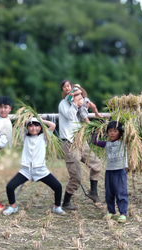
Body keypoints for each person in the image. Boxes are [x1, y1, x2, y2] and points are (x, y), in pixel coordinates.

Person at [3, 117, 66, 216]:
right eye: (31, 126)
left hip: (41, 170)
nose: (33, 128)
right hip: (26, 170)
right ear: (27, 127)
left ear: (40, 127)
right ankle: (13, 207)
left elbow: (53, 125)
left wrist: (41, 119)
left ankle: (57, 207)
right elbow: (18, 126)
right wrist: (25, 118)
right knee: (10, 187)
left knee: (58, 187)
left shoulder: (44, 137)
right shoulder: (25, 137)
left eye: (36, 125)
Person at [59, 79, 103, 210]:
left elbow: (83, 116)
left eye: (69, 86)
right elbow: (70, 116)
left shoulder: (80, 104)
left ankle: (93, 192)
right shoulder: (63, 104)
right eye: (65, 87)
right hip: (68, 143)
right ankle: (66, 202)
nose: (67, 88)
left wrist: (85, 107)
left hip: (80, 140)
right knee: (76, 177)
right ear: (64, 90)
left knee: (97, 165)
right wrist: (75, 104)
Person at [91, 121, 128, 223]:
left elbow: (131, 135)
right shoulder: (106, 144)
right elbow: (94, 141)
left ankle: (123, 213)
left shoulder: (124, 142)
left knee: (121, 192)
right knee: (109, 193)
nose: (112, 133)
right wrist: (95, 129)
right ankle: (111, 211)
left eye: (115, 131)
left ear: (120, 132)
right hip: (109, 171)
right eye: (110, 131)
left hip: (120, 171)